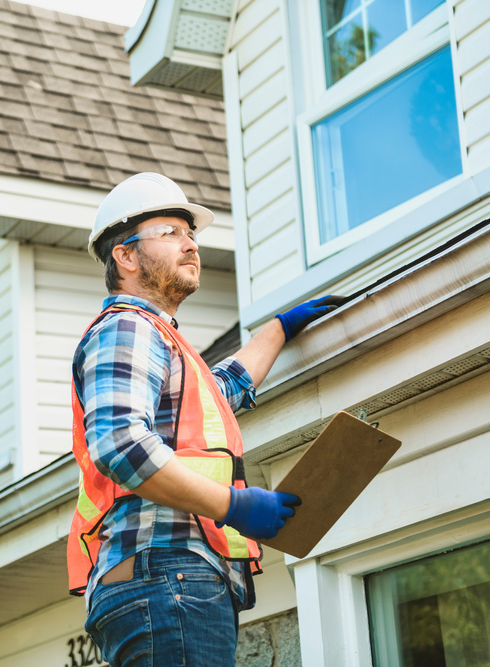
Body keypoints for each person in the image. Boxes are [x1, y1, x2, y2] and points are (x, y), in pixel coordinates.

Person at [67, 173, 346, 666]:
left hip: (169, 582)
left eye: (191, 234)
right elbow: (121, 445)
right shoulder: (128, 327)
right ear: (125, 257)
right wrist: (234, 506)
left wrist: (278, 330)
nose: (190, 244)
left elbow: (223, 390)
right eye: (170, 232)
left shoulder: (163, 341)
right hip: (167, 577)